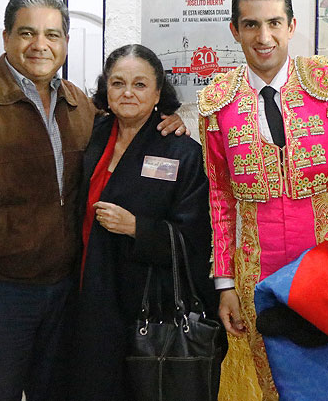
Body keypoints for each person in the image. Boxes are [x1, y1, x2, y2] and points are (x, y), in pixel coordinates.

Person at [0, 0, 186, 401]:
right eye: (27, 33)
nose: (40, 45)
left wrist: (167, 120)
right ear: (6, 37)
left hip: (67, 293)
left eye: (52, 34)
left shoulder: (78, 106)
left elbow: (126, 123)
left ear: (66, 42)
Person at [198, 0, 328, 400]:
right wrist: (225, 283)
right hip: (256, 276)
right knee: (276, 385)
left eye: (274, 23)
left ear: (292, 26)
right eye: (251, 24)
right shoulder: (218, 101)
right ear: (235, 30)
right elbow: (220, 196)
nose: (264, 37)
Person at [68, 44, 221, 400]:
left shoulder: (180, 151)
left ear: (157, 93)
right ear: (106, 89)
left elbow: (196, 239)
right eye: (118, 83)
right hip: (88, 296)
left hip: (148, 308)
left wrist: (138, 228)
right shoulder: (91, 135)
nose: (128, 93)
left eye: (139, 84)